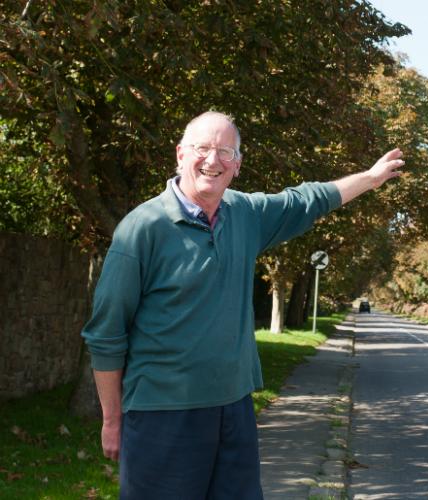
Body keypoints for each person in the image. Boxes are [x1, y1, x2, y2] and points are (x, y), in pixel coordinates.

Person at [81, 111, 404, 499]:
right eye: (202, 148)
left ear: (237, 165)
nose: (212, 160)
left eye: (225, 151)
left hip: (233, 410)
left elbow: (307, 200)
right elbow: (106, 333)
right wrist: (112, 420)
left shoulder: (244, 214)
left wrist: (369, 179)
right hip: (162, 415)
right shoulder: (142, 229)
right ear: (181, 154)